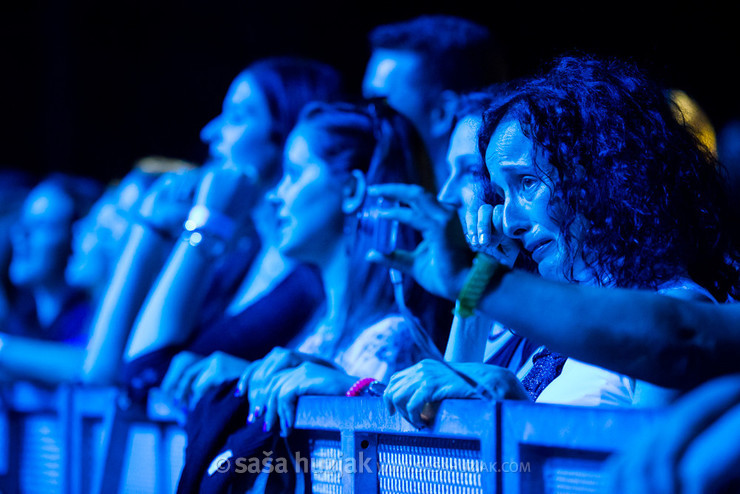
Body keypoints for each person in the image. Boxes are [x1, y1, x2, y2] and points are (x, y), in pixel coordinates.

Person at [367, 53, 739, 426]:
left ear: (599, 174)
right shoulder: (556, 333)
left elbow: (645, 476)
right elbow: (453, 435)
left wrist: (513, 403)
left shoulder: (674, 308)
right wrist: (482, 272)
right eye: (500, 194)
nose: (509, 221)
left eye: (527, 182)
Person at [174, 100, 444, 493]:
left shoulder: (392, 334)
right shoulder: (322, 322)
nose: (275, 195)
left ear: (351, 190)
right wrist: (245, 380)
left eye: (294, 175)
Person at [79, 57, 345, 400]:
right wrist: (150, 227)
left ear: (289, 134)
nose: (210, 132)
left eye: (237, 116)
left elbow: (144, 370)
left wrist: (207, 222)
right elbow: (102, 369)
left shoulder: (308, 276)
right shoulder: (242, 258)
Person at [362, 14, 507, 347]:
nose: (365, 120)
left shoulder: (499, 238)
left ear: (442, 112)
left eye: (379, 105)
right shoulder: (390, 222)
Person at [0, 172, 104, 383]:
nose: (21, 234)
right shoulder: (21, 319)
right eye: (22, 222)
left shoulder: (93, 315)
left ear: (76, 237)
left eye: (41, 225)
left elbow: (90, 365)